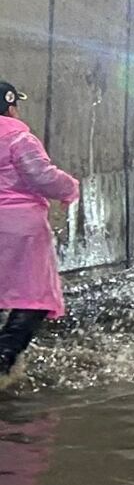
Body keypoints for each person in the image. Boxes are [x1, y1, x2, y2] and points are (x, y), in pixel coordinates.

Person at [0, 81, 80, 385]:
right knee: (34, 297)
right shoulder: (19, 137)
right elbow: (40, 176)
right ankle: (5, 356)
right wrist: (69, 187)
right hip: (21, 229)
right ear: (10, 105)